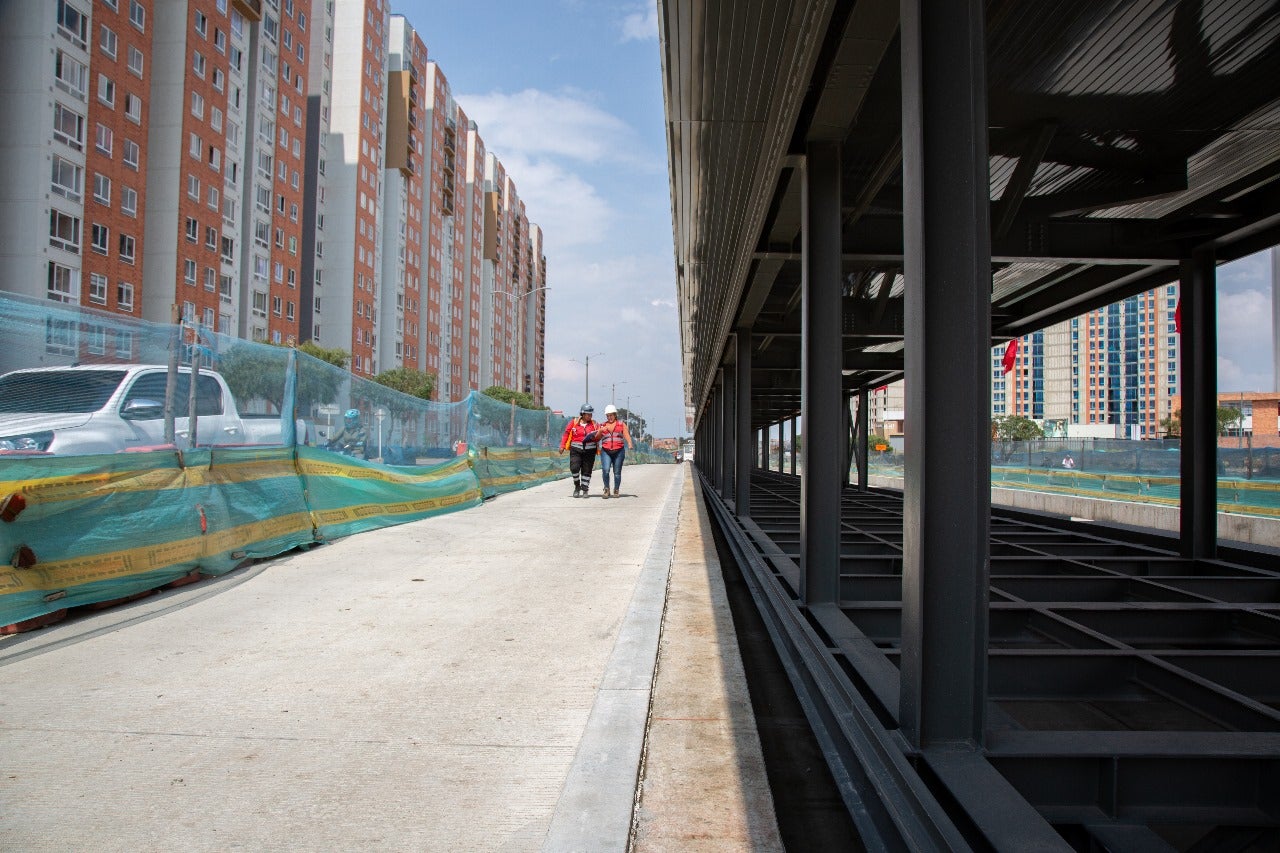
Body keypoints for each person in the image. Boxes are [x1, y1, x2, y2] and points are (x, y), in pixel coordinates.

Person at [560, 403, 600, 497]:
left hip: (590, 451)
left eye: (591, 414)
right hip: (575, 450)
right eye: (588, 414)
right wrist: (562, 446)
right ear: (582, 414)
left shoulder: (594, 424)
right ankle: (577, 486)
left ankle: (585, 489)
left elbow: (599, 436)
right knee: (574, 468)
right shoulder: (574, 422)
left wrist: (596, 436)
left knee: (587, 470)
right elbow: (566, 433)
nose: (590, 416)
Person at [596, 404, 634, 498]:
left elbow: (626, 434)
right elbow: (596, 438)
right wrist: (600, 431)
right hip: (606, 451)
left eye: (611, 415)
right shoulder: (602, 425)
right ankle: (606, 489)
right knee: (605, 470)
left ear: (615, 415)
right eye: (608, 416)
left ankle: (616, 490)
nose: (609, 417)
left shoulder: (621, 424)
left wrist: (629, 443)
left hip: (619, 451)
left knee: (617, 472)